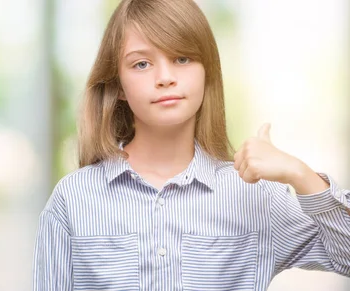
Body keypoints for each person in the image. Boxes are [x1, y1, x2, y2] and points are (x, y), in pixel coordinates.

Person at [32, 0, 350, 290]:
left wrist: (300, 174)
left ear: (206, 72)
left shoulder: (256, 197)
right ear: (119, 87)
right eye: (141, 64)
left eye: (182, 58)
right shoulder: (72, 199)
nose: (166, 77)